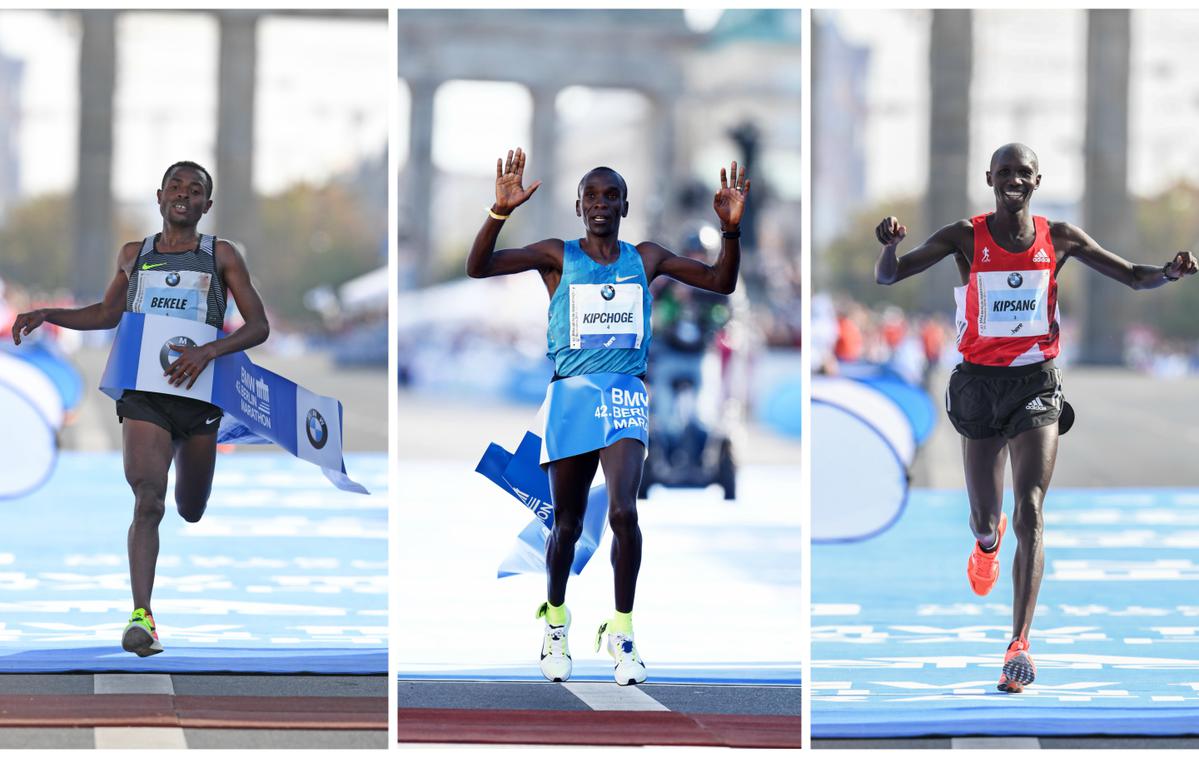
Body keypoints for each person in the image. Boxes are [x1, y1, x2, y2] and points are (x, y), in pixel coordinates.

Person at [874, 143, 1197, 693]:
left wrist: (1168, 272)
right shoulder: (965, 236)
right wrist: (890, 247)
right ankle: (986, 543)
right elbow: (890, 278)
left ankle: (1018, 644)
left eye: (1023, 173)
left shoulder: (1061, 238)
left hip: (1036, 384)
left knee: (1031, 509)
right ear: (990, 179)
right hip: (978, 385)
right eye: (1004, 173)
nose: (1013, 181)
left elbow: (1132, 276)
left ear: (1037, 180)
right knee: (985, 516)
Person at [467, 147, 748, 685]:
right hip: (571, 398)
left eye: (611, 195)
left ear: (625, 205)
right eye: (591, 196)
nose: (601, 204)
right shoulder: (556, 256)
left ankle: (621, 631)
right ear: (578, 207)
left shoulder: (646, 258)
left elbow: (721, 283)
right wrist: (498, 213)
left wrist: (731, 230)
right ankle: (555, 621)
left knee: (625, 514)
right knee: (567, 524)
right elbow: (478, 267)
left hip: (624, 395)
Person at [11, 161, 269, 656]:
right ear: (159, 196)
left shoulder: (222, 256)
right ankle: (142, 617)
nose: (183, 195)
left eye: (195, 191)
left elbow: (257, 326)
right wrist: (49, 313)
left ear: (205, 207)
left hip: (199, 397)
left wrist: (207, 351)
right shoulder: (135, 255)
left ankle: (185, 491)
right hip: (144, 395)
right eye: (175, 187)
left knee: (190, 509)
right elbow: (108, 313)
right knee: (148, 498)